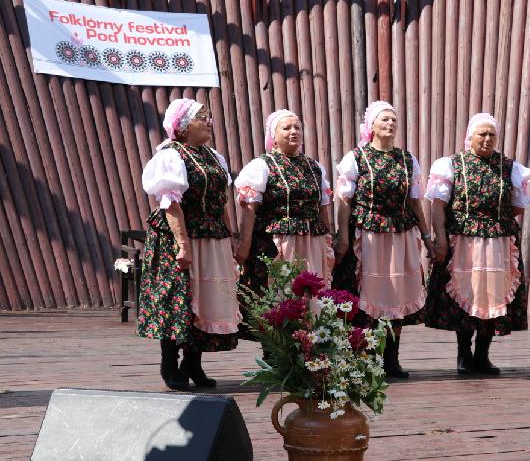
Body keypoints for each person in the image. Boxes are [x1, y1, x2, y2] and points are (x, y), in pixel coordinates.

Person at [138, 98, 240, 390]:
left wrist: (229, 236)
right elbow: (170, 204)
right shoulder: (170, 155)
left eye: (209, 116)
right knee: (177, 299)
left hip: (212, 235)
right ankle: (169, 364)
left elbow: (221, 201)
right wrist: (182, 244)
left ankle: (193, 364)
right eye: (202, 118)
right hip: (182, 235)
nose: (209, 122)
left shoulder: (212, 156)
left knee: (207, 299)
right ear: (182, 127)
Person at [424, 113, 530, 375]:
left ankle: (483, 354)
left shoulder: (509, 167)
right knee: (466, 292)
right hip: (464, 240)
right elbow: (438, 206)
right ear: (469, 137)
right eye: (481, 134)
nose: (486, 139)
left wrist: (493, 217)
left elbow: (518, 206)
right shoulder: (452, 165)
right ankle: (464, 353)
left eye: (491, 135)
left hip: (498, 241)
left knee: (492, 295)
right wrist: (439, 237)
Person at [333, 101, 434, 378]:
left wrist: (426, 236)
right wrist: (342, 235)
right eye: (384, 120)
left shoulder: (406, 159)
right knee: (369, 296)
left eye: (393, 120)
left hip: (400, 234)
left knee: (397, 295)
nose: (389, 124)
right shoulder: (356, 158)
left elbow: (415, 202)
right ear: (371, 126)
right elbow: (344, 201)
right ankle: (367, 359)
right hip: (368, 234)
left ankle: (391, 359)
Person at [235, 110, 333, 306]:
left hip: (311, 242)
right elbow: (249, 209)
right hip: (278, 243)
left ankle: (309, 336)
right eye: (286, 128)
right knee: (282, 294)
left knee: (312, 297)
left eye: (297, 127)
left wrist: (327, 242)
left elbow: (323, 207)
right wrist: (244, 247)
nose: (293, 131)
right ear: (274, 136)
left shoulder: (314, 167)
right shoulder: (262, 165)